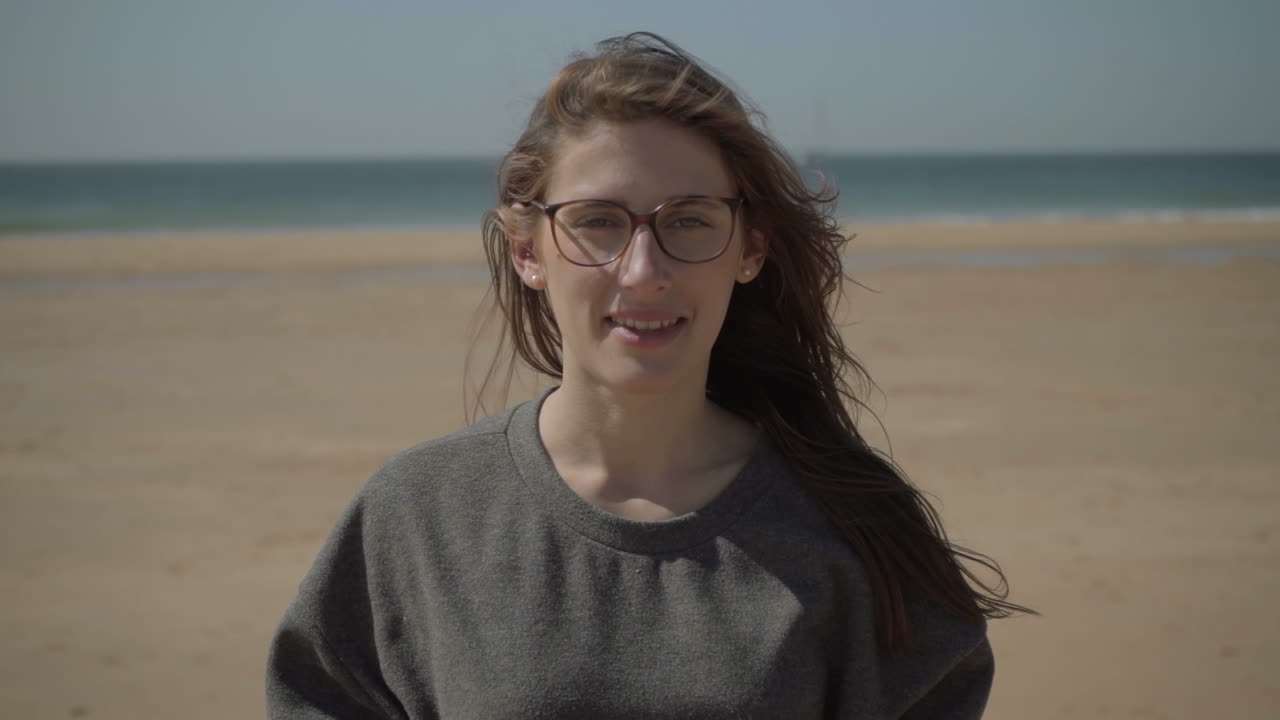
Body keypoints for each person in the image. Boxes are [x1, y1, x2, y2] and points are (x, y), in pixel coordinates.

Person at [266, 32, 1030, 719]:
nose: (643, 270)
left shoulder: (850, 529)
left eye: (689, 220)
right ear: (528, 250)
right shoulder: (419, 514)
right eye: (597, 221)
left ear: (750, 248)